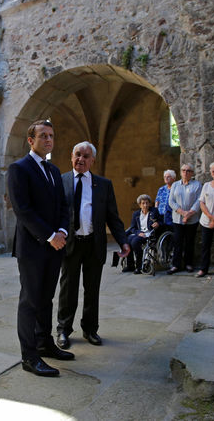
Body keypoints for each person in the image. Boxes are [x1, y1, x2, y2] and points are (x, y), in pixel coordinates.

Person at [7, 120, 73, 377]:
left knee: (46, 298)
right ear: (30, 140)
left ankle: (45, 343)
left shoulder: (54, 171)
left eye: (51, 136)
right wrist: (49, 235)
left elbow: (63, 207)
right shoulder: (19, 169)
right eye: (43, 135)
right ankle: (29, 356)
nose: (48, 140)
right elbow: (23, 209)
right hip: (33, 247)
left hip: (54, 246)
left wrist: (63, 232)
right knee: (30, 301)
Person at [56, 142, 130, 350]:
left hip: (93, 244)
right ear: (72, 156)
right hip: (70, 244)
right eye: (78, 155)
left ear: (92, 161)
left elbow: (112, 216)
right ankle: (63, 329)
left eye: (86, 156)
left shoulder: (103, 185)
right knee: (68, 289)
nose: (81, 159)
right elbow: (53, 213)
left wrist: (123, 241)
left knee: (92, 289)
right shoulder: (61, 181)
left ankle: (90, 329)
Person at [167, 164, 201, 274]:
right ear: (181, 172)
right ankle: (176, 265)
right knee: (178, 242)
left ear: (192, 173)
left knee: (190, 242)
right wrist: (182, 213)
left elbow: (198, 201)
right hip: (177, 219)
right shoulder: (175, 185)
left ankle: (189, 264)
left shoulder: (197, 185)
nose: (185, 173)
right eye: (183, 170)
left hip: (192, 219)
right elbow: (171, 201)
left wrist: (189, 215)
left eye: (188, 171)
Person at [125, 194, 161, 274]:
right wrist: (138, 232)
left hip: (149, 234)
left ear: (149, 203)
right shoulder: (136, 214)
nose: (145, 205)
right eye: (143, 203)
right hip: (139, 233)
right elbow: (133, 227)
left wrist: (158, 223)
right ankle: (130, 265)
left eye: (147, 203)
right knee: (127, 241)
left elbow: (161, 221)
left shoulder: (154, 211)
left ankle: (139, 266)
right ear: (140, 205)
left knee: (135, 242)